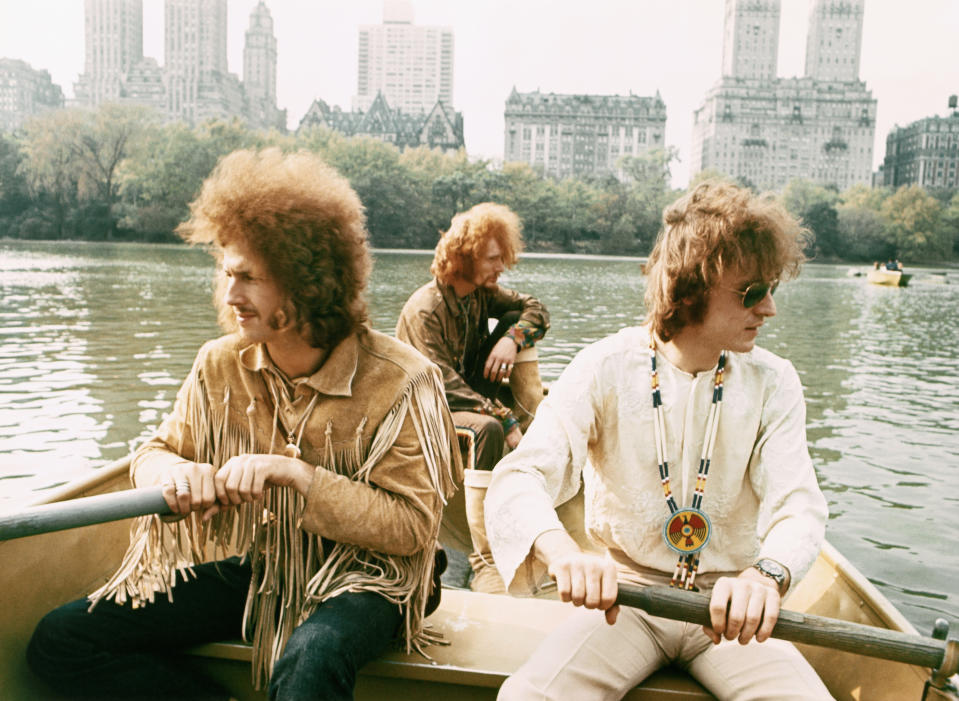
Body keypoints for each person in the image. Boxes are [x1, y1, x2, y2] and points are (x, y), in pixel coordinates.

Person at [27, 148, 461, 700]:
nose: (230, 295)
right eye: (226, 273)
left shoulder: (404, 380)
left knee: (312, 655)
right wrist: (176, 474)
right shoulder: (219, 362)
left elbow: (412, 529)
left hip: (379, 582)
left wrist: (296, 476)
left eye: (249, 278)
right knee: (61, 638)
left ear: (308, 283)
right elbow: (154, 453)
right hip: (267, 566)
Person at [485, 181, 833, 700]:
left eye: (770, 291)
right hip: (627, 603)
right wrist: (563, 554)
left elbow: (798, 507)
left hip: (730, 608)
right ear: (689, 285)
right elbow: (521, 476)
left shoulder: (775, 381)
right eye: (752, 293)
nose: (769, 311)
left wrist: (766, 578)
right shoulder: (604, 366)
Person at [396, 202, 549, 593]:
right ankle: (483, 559)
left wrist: (512, 342)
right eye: (494, 258)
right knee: (487, 430)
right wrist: (505, 419)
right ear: (465, 257)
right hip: (424, 410)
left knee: (516, 321)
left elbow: (536, 309)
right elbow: (440, 383)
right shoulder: (425, 308)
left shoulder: (481, 295)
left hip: (466, 400)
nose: (502, 267)